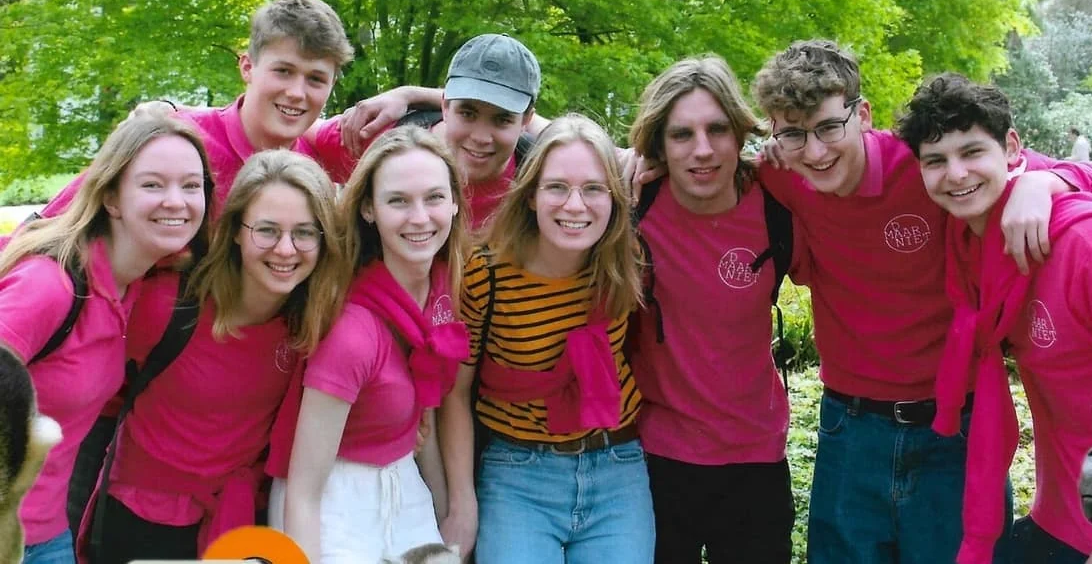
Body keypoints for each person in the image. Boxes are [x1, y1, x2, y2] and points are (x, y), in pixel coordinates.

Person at [750, 40, 1092, 564]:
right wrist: (635, 158)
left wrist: (1043, 181)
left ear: (862, 114)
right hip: (848, 430)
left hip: (955, 431)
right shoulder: (780, 174)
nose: (815, 151)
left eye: (830, 126)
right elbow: (701, 167)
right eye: (792, 134)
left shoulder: (929, 165)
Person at [894, 73, 1092, 563]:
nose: (955, 174)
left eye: (972, 152)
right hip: (1054, 519)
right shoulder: (974, 249)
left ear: (1012, 148)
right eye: (936, 161)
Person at [85, 150, 350, 564]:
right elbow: (90, 398)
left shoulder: (312, 322)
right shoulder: (167, 304)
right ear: (237, 231)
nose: (285, 249)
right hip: (142, 518)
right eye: (267, 230)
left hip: (243, 520)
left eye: (304, 232)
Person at [0, 114, 212, 564]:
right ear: (112, 198)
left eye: (192, 186)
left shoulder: (131, 288)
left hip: (47, 533)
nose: (177, 201)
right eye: (153, 185)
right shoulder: (50, 286)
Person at [441, 114, 652, 563]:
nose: (575, 205)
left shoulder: (625, 260)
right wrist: (462, 501)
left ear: (614, 199)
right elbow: (454, 393)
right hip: (518, 474)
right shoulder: (485, 274)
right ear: (531, 196)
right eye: (557, 187)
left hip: (617, 468)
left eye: (593, 189)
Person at [625, 57, 807, 563]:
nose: (702, 150)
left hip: (755, 459)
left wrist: (1046, 178)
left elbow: (863, 166)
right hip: (656, 459)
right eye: (682, 135)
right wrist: (418, 98)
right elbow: (538, 144)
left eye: (717, 130)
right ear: (657, 144)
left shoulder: (778, 205)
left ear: (740, 133)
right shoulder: (631, 207)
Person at [268, 126, 472, 563]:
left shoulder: (439, 291)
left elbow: (426, 416)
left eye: (434, 197)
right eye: (398, 200)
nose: (420, 218)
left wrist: (448, 511)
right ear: (368, 209)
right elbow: (303, 492)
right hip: (335, 500)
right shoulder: (353, 334)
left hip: (402, 482)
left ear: (455, 202)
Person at [42, 0, 367, 217]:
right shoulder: (173, 138)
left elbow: (412, 137)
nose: (297, 92)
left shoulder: (323, 157)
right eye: (283, 71)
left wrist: (409, 94)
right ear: (247, 67)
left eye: (315, 79)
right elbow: (51, 227)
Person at [339, 33, 542, 230]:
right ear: (445, 107)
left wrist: (412, 94)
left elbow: (568, 133)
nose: (480, 137)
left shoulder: (543, 174)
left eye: (502, 119)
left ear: (526, 120)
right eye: (468, 114)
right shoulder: (382, 137)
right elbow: (309, 134)